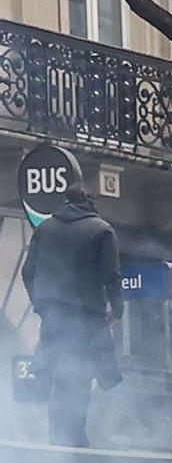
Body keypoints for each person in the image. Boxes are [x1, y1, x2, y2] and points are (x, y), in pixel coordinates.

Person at [21, 182, 123, 448]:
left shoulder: (44, 229)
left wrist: (41, 304)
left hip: (54, 320)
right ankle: (75, 443)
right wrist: (117, 309)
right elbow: (111, 275)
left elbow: (27, 271)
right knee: (81, 378)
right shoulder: (102, 230)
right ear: (90, 202)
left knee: (57, 377)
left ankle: (59, 440)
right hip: (87, 318)